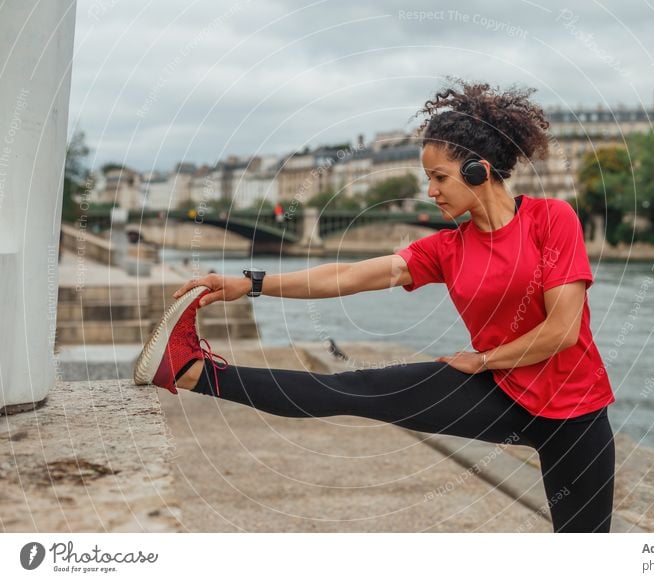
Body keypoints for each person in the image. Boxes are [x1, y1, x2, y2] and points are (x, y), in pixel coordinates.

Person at [133, 79, 616, 533]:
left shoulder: (552, 220)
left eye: (439, 177)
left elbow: (562, 331)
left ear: (478, 171)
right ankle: (190, 372)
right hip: (502, 393)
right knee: (352, 389)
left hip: (577, 414)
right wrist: (252, 282)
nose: (430, 191)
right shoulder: (447, 249)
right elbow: (347, 275)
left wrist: (484, 359)